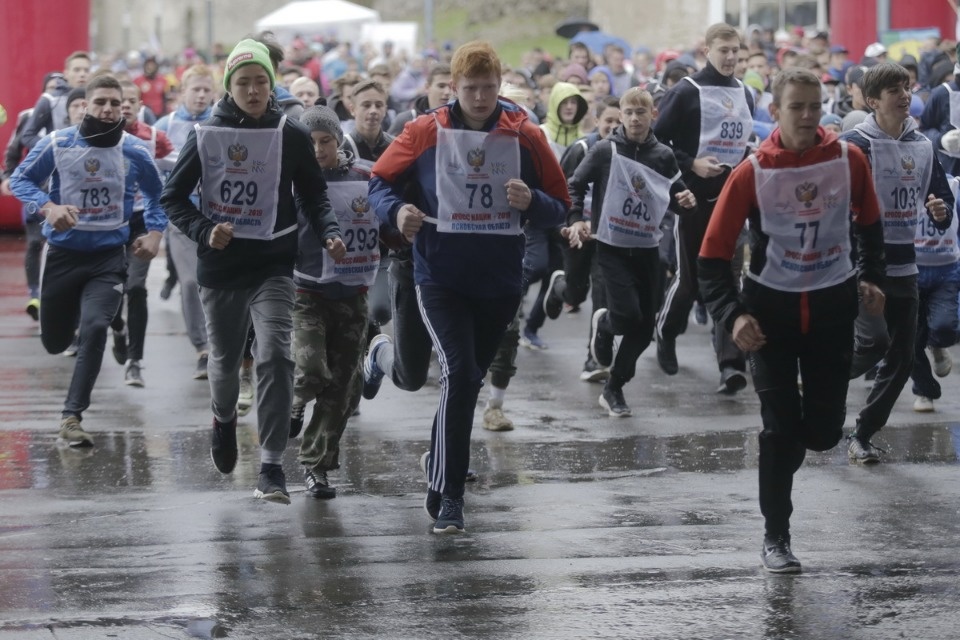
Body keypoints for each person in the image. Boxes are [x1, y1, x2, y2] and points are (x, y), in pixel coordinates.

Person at [366, 41, 569, 534]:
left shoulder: (524, 133)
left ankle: (442, 475)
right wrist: (397, 211)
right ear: (453, 87)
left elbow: (560, 206)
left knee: (468, 381)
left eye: (489, 88)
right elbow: (378, 183)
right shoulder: (425, 130)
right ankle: (450, 494)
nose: (480, 98)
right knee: (458, 374)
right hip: (440, 275)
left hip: (499, 280)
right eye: (471, 88)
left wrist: (532, 201)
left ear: (501, 86)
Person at [698, 67, 886, 573]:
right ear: (774, 111)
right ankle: (776, 535)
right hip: (770, 319)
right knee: (779, 431)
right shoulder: (752, 171)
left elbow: (871, 225)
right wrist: (733, 315)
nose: (807, 115)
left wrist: (872, 276)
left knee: (823, 434)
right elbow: (711, 258)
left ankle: (794, 434)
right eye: (795, 106)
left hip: (831, 312)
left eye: (814, 105)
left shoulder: (848, 160)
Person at [161, 40, 344, 504]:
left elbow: (314, 193)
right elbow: (172, 198)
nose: (254, 90)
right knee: (225, 361)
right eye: (243, 82)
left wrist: (329, 230)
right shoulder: (205, 133)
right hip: (222, 265)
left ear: (271, 83)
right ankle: (223, 419)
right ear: (229, 86)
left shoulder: (289, 132)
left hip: (273, 263)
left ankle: (271, 466)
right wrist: (205, 230)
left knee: (277, 355)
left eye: (261, 81)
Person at [10, 74, 167, 447]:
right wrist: (48, 207)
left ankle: (72, 416)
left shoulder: (134, 150)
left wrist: (155, 233)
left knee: (93, 327)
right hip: (63, 256)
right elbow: (20, 180)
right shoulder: (59, 143)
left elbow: (158, 195)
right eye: (100, 102)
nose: (108, 109)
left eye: (115, 103)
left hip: (108, 258)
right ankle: (116, 321)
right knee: (55, 342)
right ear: (84, 106)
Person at [840, 62, 953, 462]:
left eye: (907, 88)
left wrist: (940, 212)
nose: (905, 96)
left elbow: (943, 200)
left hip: (906, 267)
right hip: (861, 266)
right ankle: (820, 378)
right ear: (872, 101)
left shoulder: (922, 145)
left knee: (902, 359)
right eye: (895, 91)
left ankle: (862, 434)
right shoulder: (854, 145)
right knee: (874, 343)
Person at [566, 88, 696, 416]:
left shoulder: (663, 155)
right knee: (626, 316)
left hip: (647, 249)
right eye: (629, 112)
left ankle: (614, 387)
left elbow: (676, 197)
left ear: (653, 115)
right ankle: (605, 324)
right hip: (611, 246)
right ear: (621, 115)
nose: (635, 118)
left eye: (641, 112)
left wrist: (687, 201)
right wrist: (576, 218)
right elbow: (575, 184)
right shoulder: (605, 150)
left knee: (643, 328)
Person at [290, 106, 389, 498]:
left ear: (337, 140)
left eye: (325, 141)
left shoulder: (365, 177)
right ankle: (295, 403)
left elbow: (389, 214)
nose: (318, 150)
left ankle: (316, 466)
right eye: (310, 143)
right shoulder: (291, 180)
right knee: (312, 371)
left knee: (342, 392)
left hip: (353, 296)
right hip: (307, 294)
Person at [653, 23, 755, 393]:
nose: (730, 57)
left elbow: (744, 143)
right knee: (689, 280)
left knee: (730, 279)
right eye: (724, 50)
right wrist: (691, 163)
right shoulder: (685, 91)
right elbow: (656, 141)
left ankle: (730, 365)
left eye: (735, 51)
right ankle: (665, 332)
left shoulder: (745, 93)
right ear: (707, 51)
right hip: (690, 198)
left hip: (729, 199)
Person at [542, 96, 621, 381]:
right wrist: (572, 223)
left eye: (619, 121)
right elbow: (560, 190)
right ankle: (558, 286)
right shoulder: (582, 149)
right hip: (576, 231)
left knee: (602, 294)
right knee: (576, 293)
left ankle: (594, 360)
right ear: (596, 121)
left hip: (605, 235)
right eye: (608, 121)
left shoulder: (626, 153)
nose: (614, 127)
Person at [105, 80, 175, 386]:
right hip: (109, 221)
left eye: (131, 101)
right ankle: (118, 329)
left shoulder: (154, 137)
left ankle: (135, 361)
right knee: (110, 289)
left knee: (135, 286)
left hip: (143, 220)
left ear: (140, 105)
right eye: (120, 102)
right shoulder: (100, 137)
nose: (126, 107)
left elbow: (179, 164)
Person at [155, 64, 217, 379]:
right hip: (181, 218)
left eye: (207, 90)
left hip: (217, 217)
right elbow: (152, 171)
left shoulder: (220, 123)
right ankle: (202, 348)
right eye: (196, 89)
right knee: (191, 282)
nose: (201, 95)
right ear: (182, 92)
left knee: (216, 284)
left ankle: (223, 343)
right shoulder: (164, 126)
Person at [910, 176, 959, 412]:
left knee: (944, 327)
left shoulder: (953, 185)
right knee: (908, 340)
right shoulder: (899, 182)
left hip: (946, 270)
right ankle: (924, 390)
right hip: (910, 271)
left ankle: (937, 344)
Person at [21, 52, 91, 150]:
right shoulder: (50, 99)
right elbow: (27, 135)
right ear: (66, 74)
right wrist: (52, 148)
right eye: (77, 70)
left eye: (86, 70)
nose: (82, 74)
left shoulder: (98, 100)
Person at [388, 64, 453, 136]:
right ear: (427, 87)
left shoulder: (459, 120)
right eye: (441, 86)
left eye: (451, 87)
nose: (447, 92)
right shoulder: (406, 119)